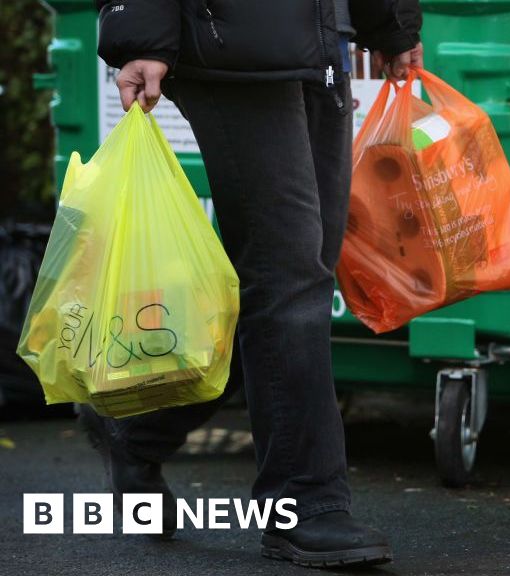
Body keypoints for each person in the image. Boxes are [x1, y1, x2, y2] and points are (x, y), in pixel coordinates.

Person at [80, 0, 423, 568]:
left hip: (320, 36)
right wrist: (140, 31)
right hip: (228, 33)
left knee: (296, 275)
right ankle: (303, 503)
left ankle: (138, 427)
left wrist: (389, 18)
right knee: (287, 275)